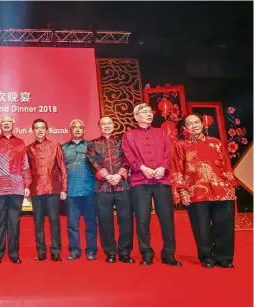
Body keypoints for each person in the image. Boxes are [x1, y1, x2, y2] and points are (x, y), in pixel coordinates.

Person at [171, 114, 237, 268]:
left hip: (221, 189)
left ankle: (224, 258)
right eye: (190, 124)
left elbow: (226, 164)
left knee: (225, 225)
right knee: (201, 227)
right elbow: (178, 169)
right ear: (185, 128)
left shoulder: (215, 143)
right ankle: (206, 257)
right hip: (196, 192)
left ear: (202, 124)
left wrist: (230, 185)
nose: (194, 126)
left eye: (197, 122)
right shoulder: (181, 146)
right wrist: (182, 191)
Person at [122, 103, 181, 266]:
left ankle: (168, 253)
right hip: (140, 180)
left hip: (162, 179)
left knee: (166, 218)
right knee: (142, 218)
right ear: (136, 116)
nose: (149, 114)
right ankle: (146, 252)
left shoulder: (162, 133)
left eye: (150, 111)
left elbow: (169, 152)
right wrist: (142, 168)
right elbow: (128, 155)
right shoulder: (129, 135)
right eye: (144, 112)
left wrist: (162, 167)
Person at [86, 116, 134, 264]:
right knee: (105, 220)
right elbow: (91, 161)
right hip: (102, 188)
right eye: (103, 124)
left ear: (114, 125)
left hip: (122, 186)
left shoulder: (122, 141)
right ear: (99, 127)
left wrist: (119, 175)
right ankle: (110, 252)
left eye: (109, 123)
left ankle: (125, 252)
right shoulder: (93, 144)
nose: (106, 126)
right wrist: (106, 175)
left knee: (126, 220)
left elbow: (129, 159)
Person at [0, 115, 30, 264]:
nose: (6, 124)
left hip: (17, 185)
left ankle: (14, 254)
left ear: (13, 124)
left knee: (14, 221)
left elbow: (25, 165)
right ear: (0, 125)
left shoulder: (20, 143)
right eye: (3, 122)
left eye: (8, 122)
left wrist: (27, 185)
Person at [26, 119, 67, 262]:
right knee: (38, 222)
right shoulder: (28, 149)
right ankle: (41, 251)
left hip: (52, 190)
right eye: (36, 128)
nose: (39, 130)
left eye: (42, 128)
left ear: (47, 130)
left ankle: (55, 251)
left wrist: (64, 188)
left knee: (54, 221)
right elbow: (27, 171)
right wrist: (26, 187)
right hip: (36, 190)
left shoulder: (55, 146)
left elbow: (63, 168)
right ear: (33, 131)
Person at [62, 119, 98, 260]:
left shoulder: (91, 146)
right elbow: (60, 170)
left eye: (80, 127)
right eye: (74, 128)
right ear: (70, 131)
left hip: (89, 189)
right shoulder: (63, 147)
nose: (77, 130)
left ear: (84, 130)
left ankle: (91, 250)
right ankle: (75, 250)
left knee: (91, 223)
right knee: (72, 223)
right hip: (71, 190)